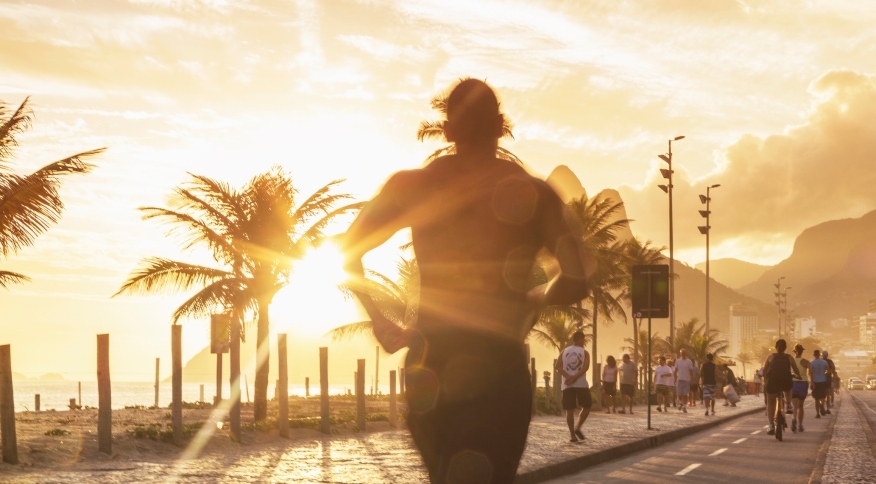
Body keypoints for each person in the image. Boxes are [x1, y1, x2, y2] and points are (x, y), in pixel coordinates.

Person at [342, 78, 593, 482]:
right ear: (500, 127)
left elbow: (348, 252)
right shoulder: (535, 194)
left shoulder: (414, 186)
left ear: (447, 132)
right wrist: (536, 298)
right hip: (500, 367)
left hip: (431, 365)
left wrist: (379, 319)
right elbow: (579, 276)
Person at [762, 339, 802, 435]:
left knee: (770, 403)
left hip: (772, 382)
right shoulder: (789, 357)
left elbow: (764, 371)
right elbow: (796, 370)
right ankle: (788, 404)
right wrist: (798, 376)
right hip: (785, 381)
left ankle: (771, 425)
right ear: (785, 348)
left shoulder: (770, 357)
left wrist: (764, 378)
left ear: (776, 347)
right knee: (788, 388)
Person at [559, 331, 592, 443]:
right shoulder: (585, 352)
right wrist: (574, 377)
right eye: (583, 340)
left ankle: (572, 436)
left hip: (567, 384)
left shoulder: (564, 351)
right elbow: (585, 367)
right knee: (587, 406)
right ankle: (578, 427)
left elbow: (557, 366)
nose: (584, 342)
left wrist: (568, 376)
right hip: (581, 384)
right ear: (580, 340)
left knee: (569, 410)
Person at [791, 343, 811, 433]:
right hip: (803, 383)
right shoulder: (806, 362)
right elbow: (810, 372)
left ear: (794, 351)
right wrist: (812, 382)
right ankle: (799, 425)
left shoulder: (790, 360)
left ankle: (794, 418)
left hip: (793, 383)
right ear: (802, 351)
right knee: (801, 406)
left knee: (794, 406)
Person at [810, 350, 829, 418]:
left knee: (816, 398)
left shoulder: (811, 363)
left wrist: (811, 382)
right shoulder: (824, 362)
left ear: (814, 355)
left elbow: (810, 373)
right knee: (823, 396)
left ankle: (817, 413)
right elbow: (828, 370)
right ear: (819, 354)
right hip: (823, 380)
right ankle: (822, 405)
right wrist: (824, 373)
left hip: (815, 381)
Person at [674, 349, 694, 413]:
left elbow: (691, 371)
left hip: (686, 380)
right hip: (679, 379)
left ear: (686, 353)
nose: (683, 354)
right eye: (681, 353)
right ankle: (680, 403)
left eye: (684, 353)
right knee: (679, 394)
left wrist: (692, 379)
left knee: (685, 394)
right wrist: (675, 378)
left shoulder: (689, 361)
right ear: (680, 354)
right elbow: (675, 370)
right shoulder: (677, 361)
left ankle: (684, 406)